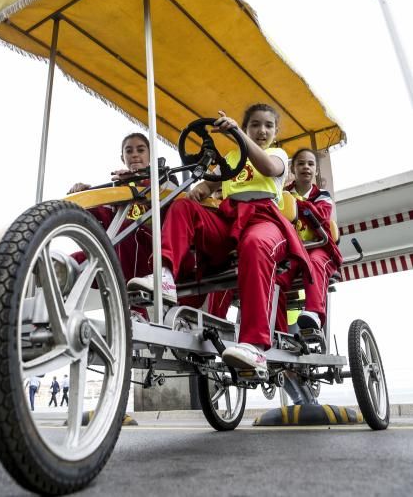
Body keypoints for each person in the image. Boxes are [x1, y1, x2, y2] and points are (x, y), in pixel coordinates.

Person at [128, 104, 313, 376]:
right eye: (255, 125)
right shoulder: (230, 157)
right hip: (230, 222)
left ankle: (255, 346)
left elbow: (268, 166)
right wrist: (198, 191)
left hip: (264, 219)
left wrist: (239, 134)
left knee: (254, 244)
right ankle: (165, 277)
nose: (261, 130)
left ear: (275, 132)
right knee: (182, 208)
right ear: (248, 126)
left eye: (268, 126)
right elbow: (208, 185)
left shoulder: (278, 154)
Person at [69, 133, 177, 284]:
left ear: (150, 155)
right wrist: (84, 200)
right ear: (122, 158)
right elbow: (107, 220)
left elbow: (169, 208)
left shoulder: (166, 178)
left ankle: (132, 304)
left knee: (127, 228)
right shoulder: (118, 186)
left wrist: (137, 182)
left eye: (140, 150)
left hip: (158, 249)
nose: (134, 155)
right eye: (129, 151)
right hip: (122, 248)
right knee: (71, 264)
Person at [275, 147, 343, 333]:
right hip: (293, 250)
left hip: (321, 247)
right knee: (276, 279)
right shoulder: (283, 195)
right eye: (301, 163)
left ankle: (314, 313)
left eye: (310, 164)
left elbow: (321, 216)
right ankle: (280, 332)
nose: (306, 167)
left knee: (314, 262)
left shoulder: (323, 196)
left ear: (316, 170)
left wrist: (296, 203)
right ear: (293, 169)